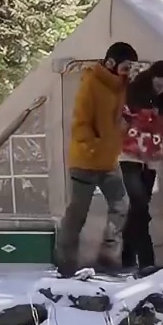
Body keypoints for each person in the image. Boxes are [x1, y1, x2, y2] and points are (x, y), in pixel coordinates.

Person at [56, 41, 137, 277]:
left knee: (121, 205)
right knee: (77, 214)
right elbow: (80, 124)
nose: (128, 70)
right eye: (126, 65)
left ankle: (108, 258)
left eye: (130, 66)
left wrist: (123, 126)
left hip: (109, 161)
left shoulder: (121, 86)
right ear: (111, 63)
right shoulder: (91, 83)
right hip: (86, 161)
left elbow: (114, 118)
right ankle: (64, 263)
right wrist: (96, 145)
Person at [119, 60, 163, 276]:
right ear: (151, 79)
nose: (161, 90)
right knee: (140, 207)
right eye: (158, 86)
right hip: (129, 155)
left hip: (152, 159)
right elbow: (121, 118)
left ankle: (126, 255)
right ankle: (146, 261)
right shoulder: (134, 91)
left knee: (137, 208)